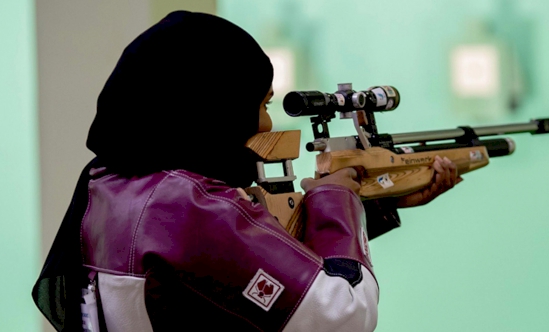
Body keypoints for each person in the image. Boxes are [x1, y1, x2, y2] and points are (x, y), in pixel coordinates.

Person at [32, 11, 462, 332]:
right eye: (260, 103)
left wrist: (371, 207)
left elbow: (216, 278)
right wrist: (336, 200)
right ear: (210, 100)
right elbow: (343, 315)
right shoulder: (189, 204)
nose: (265, 125)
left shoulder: (108, 181)